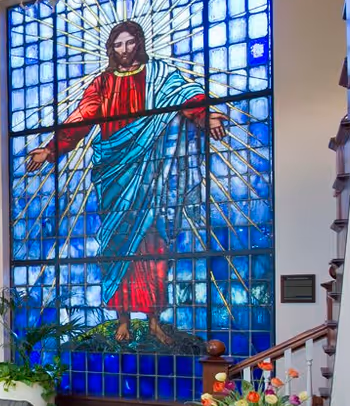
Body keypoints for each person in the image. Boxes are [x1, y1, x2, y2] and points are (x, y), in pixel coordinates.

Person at [24, 20, 225, 344]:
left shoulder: (158, 75)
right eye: (118, 44)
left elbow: (185, 94)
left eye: (130, 42)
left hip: (150, 174)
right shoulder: (103, 83)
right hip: (115, 171)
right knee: (116, 245)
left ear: (139, 43)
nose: (124, 49)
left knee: (153, 245)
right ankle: (123, 320)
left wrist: (206, 114)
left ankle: (154, 321)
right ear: (111, 49)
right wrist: (51, 149)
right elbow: (82, 117)